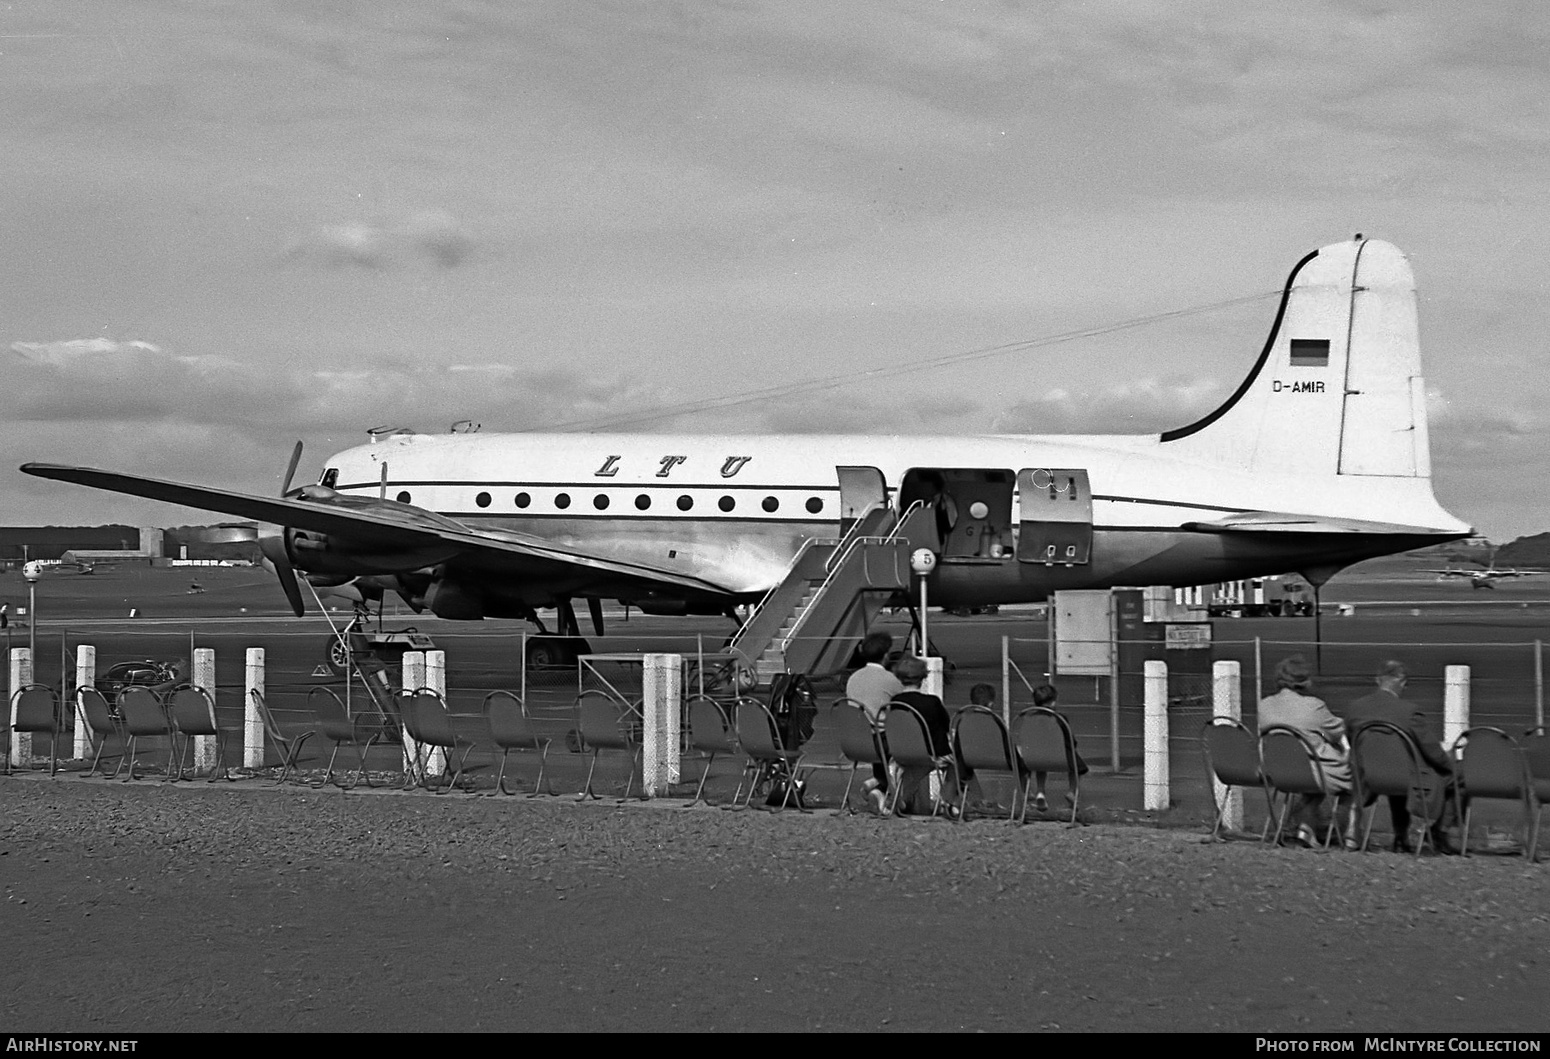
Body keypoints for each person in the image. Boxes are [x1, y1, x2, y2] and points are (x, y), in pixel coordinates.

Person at [1342, 660, 1456, 853]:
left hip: (1369, 779)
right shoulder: (1409, 711)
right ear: (1402, 682)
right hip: (1407, 780)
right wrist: (1450, 764)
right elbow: (1432, 750)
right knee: (1457, 777)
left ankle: (1401, 838)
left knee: (1400, 770)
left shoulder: (1356, 708)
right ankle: (1439, 831)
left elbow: (1353, 740)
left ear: (1378, 681)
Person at [1257, 655, 1351, 846]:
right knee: (1356, 779)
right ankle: (1348, 835)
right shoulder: (1314, 706)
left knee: (1314, 780)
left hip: (1278, 771)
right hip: (1312, 772)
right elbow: (1338, 730)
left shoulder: (1264, 705)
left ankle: (1305, 829)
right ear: (1305, 681)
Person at [889, 654, 958, 815]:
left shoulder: (894, 702)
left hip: (903, 752)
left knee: (915, 770)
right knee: (955, 764)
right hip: (932, 753)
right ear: (923, 677)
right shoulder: (932, 702)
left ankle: (901, 799)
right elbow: (946, 726)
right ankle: (946, 801)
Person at [845, 631, 902, 812]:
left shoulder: (853, 679)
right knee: (899, 740)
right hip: (880, 742)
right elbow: (904, 705)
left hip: (854, 740)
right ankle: (880, 787)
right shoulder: (890, 680)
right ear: (886, 655)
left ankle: (878, 783)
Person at [1028, 684, 1089, 813]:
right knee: (1076, 766)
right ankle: (1072, 791)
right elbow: (1070, 741)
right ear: (1053, 701)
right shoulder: (1059, 718)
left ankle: (1040, 791)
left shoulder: (1029, 718)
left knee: (1041, 764)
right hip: (1060, 759)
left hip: (1035, 757)